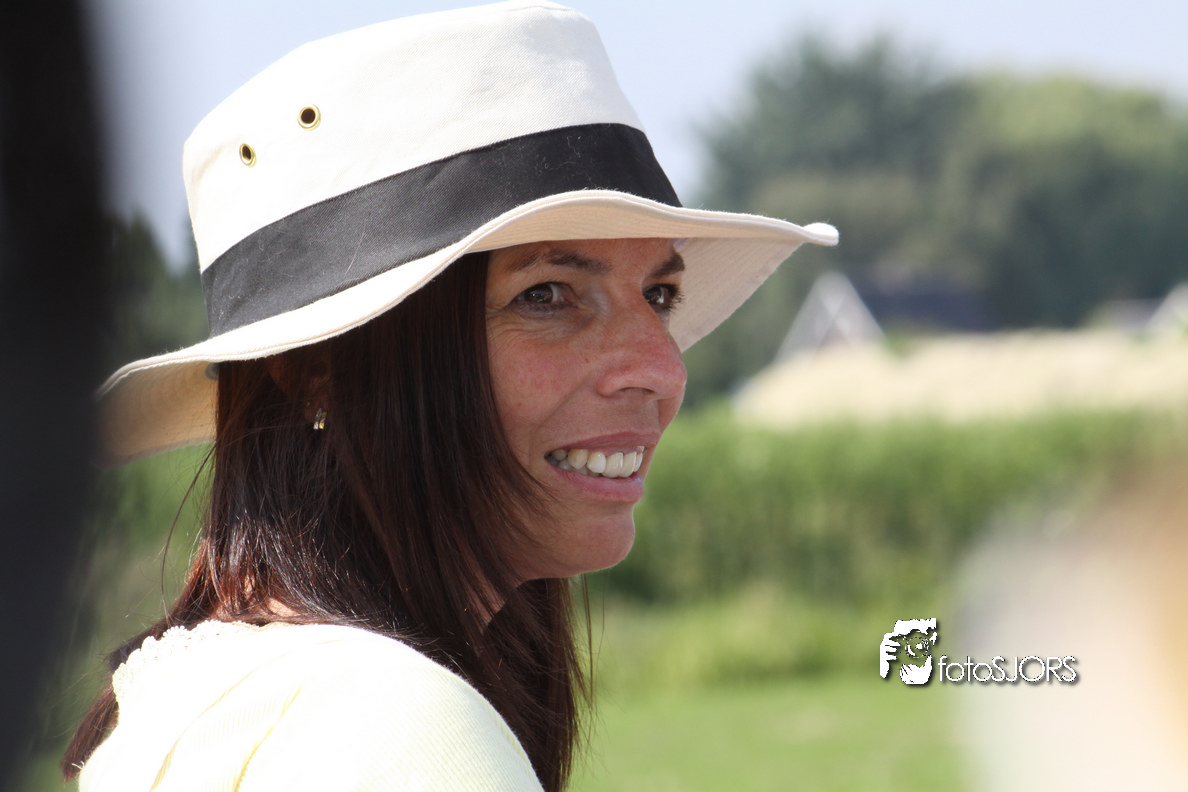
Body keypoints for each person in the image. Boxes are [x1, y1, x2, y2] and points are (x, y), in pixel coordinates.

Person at [64, 2, 837, 790]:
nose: (661, 371)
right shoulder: (401, 730)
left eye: (660, 295)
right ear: (312, 369)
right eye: (546, 295)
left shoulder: (186, 708)